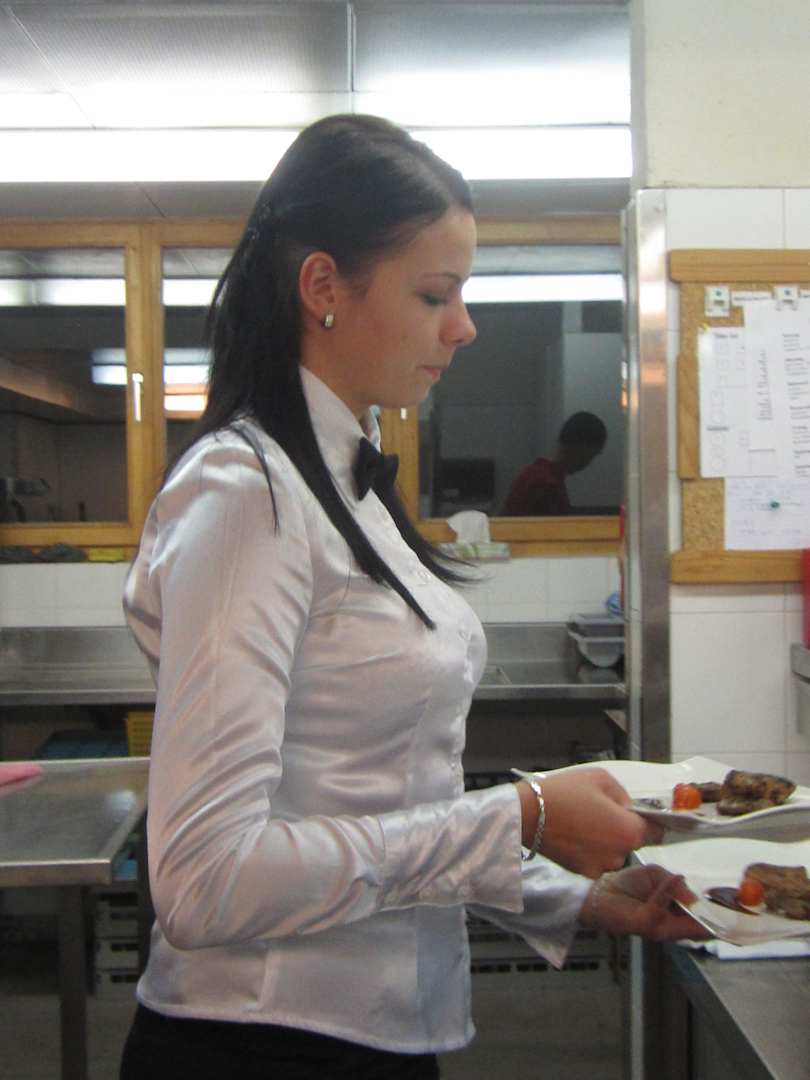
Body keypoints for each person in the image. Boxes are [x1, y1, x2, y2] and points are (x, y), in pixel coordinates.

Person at [119, 115, 705, 1080]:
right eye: (435, 294)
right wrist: (520, 814)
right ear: (323, 288)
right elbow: (204, 879)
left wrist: (574, 896)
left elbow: (383, 798)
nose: (464, 325)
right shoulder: (245, 494)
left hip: (378, 1030)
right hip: (261, 1042)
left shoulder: (343, 480)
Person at [503, 410, 608, 516]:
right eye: (592, 455)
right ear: (582, 449)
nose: (589, 463)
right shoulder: (547, 485)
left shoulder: (531, 472)